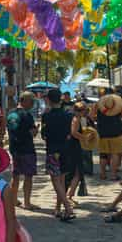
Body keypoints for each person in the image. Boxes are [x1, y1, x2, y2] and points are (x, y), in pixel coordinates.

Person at [41, 89, 76, 221]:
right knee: (61, 180)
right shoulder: (68, 115)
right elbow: (69, 133)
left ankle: (67, 208)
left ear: (48, 100)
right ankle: (58, 208)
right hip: (65, 150)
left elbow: (44, 135)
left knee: (56, 181)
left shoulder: (46, 116)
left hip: (52, 150)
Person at [7, 92, 38, 211]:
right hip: (27, 149)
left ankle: (14, 199)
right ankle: (27, 202)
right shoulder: (27, 115)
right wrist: (36, 130)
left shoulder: (11, 113)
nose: (32, 104)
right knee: (28, 176)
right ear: (24, 100)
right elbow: (32, 133)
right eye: (31, 101)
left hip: (14, 149)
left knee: (15, 175)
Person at [92, 92, 122, 180]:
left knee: (103, 154)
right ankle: (113, 175)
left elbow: (91, 116)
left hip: (102, 132)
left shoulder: (98, 106)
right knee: (115, 154)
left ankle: (103, 174)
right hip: (116, 132)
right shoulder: (119, 107)